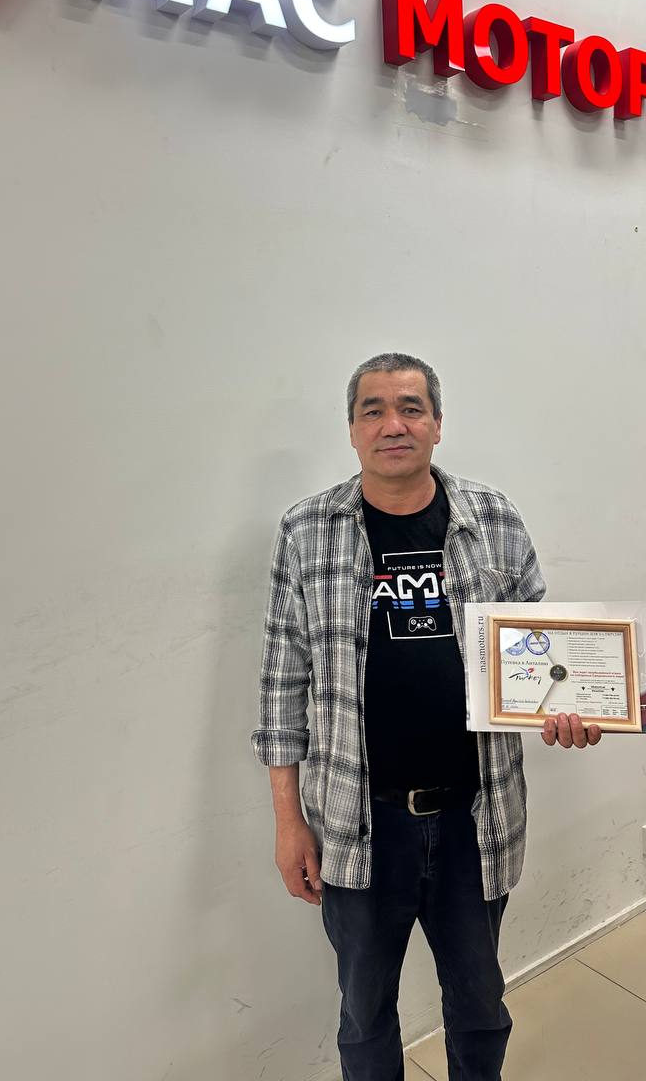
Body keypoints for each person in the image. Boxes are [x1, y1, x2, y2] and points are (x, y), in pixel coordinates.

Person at [251, 352, 601, 1081]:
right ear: (352, 428)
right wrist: (288, 821)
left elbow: (543, 654)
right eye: (373, 410)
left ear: (437, 424)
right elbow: (283, 683)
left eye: (411, 408)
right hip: (358, 822)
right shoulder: (306, 529)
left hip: (476, 817)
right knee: (364, 1015)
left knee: (479, 1007)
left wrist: (569, 707)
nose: (393, 424)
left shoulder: (493, 519)